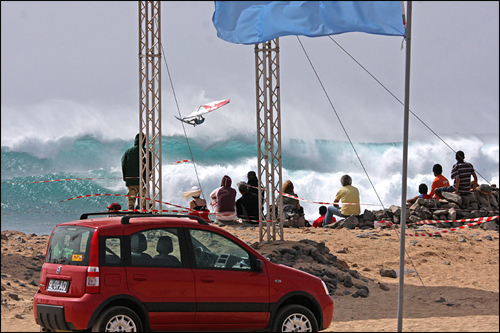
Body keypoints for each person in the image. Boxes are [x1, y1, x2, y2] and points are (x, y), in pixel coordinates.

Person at [121, 133, 152, 211]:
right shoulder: (148, 152)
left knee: (131, 205)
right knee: (143, 205)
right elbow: (151, 166)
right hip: (144, 181)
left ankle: (130, 218)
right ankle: (143, 219)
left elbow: (123, 164)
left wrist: (125, 177)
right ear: (144, 141)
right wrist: (148, 176)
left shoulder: (128, 152)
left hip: (131, 181)